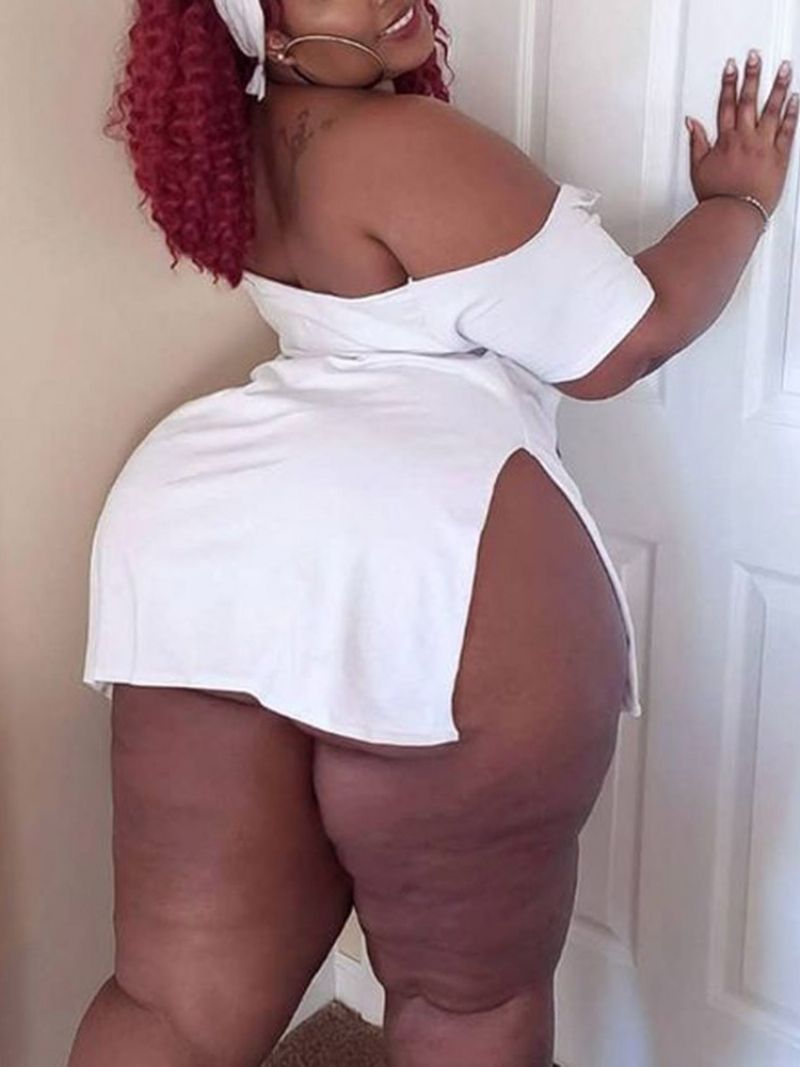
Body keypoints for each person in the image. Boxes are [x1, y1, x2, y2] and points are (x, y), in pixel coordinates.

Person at [68, 0, 797, 1059]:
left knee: (170, 1003)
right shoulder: (402, 143)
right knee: (465, 1005)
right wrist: (737, 199)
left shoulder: (240, 147)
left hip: (201, 539)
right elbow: (624, 342)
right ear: (264, 25)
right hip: (433, 564)